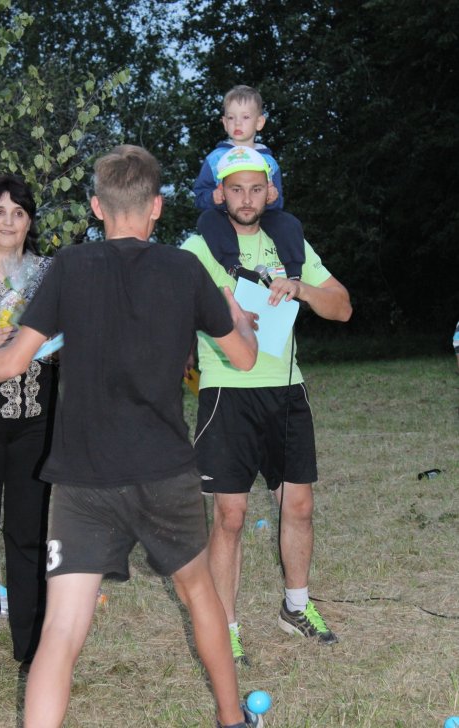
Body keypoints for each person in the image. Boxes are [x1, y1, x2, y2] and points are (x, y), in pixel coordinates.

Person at [0, 146, 263, 728]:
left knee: (61, 628)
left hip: (82, 480)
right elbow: (245, 358)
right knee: (200, 596)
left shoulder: (70, 266)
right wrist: (234, 316)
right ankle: (233, 720)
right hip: (166, 473)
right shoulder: (186, 269)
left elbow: (11, 362)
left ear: (96, 207)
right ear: (156, 206)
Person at [182, 147, 353, 665]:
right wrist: (224, 313)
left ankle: (296, 607)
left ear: (271, 192)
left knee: (298, 505)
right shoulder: (198, 246)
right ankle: (226, 628)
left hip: (286, 388)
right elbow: (176, 309)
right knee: (230, 516)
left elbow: (342, 307)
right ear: (220, 194)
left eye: (256, 189)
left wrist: (300, 288)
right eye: (236, 189)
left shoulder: (291, 243)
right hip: (226, 391)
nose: (246, 198)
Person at [0, 174, 56, 695]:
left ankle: (33, 653)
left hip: (38, 419)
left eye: (19, 212)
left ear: (29, 221)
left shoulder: (48, 273)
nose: (9, 221)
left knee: (30, 537)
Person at [194, 84, 305, 280]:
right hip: (225, 216)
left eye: (245, 117)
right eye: (231, 118)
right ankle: (235, 268)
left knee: (289, 223)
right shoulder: (214, 159)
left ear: (259, 122)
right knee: (207, 219)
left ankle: (294, 275)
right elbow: (199, 196)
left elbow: (278, 202)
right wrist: (212, 197)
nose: (237, 123)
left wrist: (273, 198)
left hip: (260, 216)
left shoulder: (269, 162)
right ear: (224, 122)